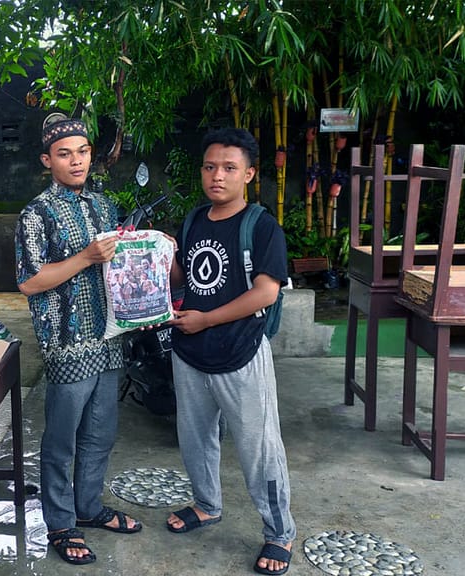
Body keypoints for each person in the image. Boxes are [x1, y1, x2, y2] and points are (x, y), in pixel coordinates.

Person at [164, 128, 295, 575]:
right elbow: (183, 277)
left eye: (229, 168)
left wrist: (206, 318)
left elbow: (265, 293)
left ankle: (279, 533)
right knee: (196, 439)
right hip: (190, 351)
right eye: (209, 166)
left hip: (240, 353)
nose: (217, 176)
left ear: (249, 174)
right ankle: (206, 504)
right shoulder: (195, 218)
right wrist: (150, 256)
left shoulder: (261, 226)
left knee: (259, 448)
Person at [15, 113, 143, 566]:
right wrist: (86, 257)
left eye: (83, 152)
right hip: (67, 343)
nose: (76, 162)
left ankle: (88, 507)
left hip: (108, 338)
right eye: (65, 154)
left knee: (101, 433)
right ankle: (61, 521)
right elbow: (30, 282)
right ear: (46, 159)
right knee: (62, 440)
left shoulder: (104, 206)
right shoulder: (37, 213)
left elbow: (120, 266)